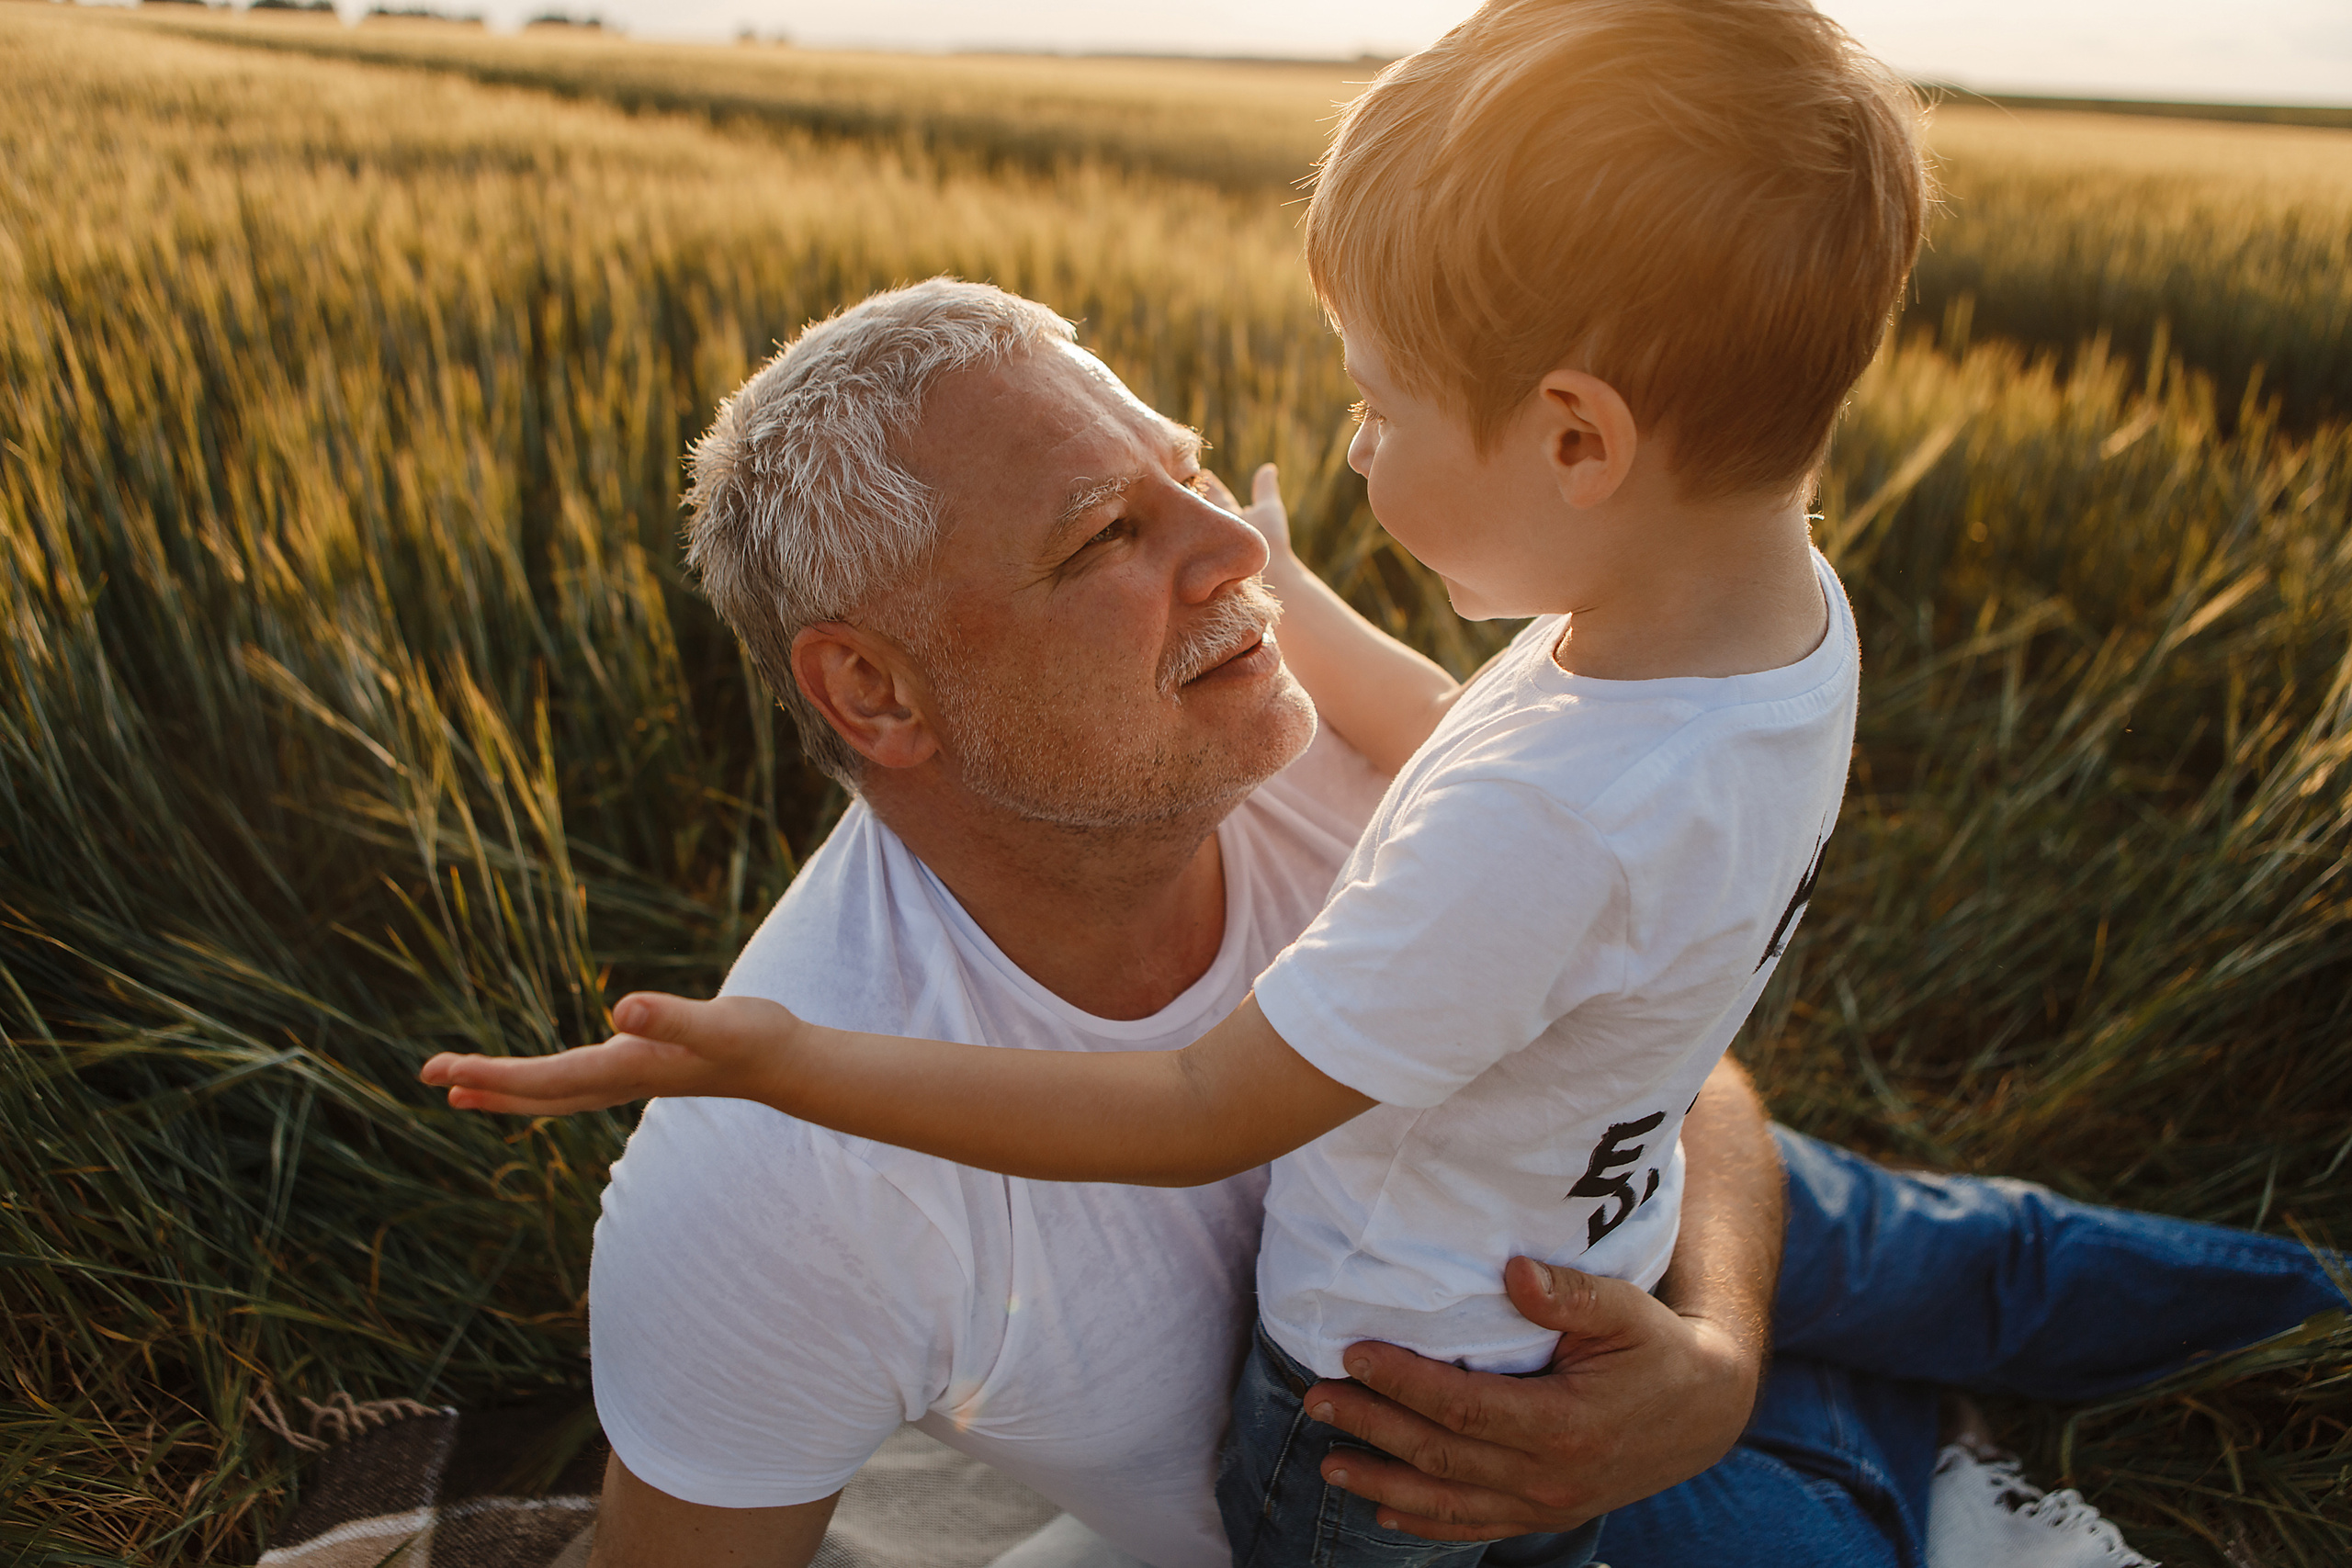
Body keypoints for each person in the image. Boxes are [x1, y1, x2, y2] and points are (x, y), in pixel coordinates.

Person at [423, 274, 2342, 1568]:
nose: (1239, 549)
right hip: (1457, 1469)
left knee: (1987, 1248)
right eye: (1109, 536)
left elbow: (1666, 1034)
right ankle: (1862, 1413)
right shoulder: (773, 1180)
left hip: (1619, 1179)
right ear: (877, 692)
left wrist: (1715, 1345)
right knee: (1830, 1519)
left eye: (1187, 472)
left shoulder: (1305, 735)